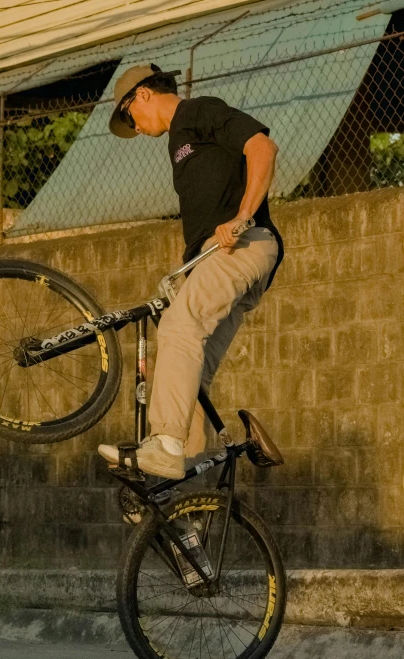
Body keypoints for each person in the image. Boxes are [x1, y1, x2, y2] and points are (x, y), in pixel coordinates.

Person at [98, 63, 284, 480]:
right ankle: (184, 486)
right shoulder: (178, 142)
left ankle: (164, 443)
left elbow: (262, 148)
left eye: (130, 116)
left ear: (143, 95)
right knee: (192, 373)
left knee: (180, 328)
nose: (136, 128)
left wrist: (242, 217)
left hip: (241, 245)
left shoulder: (197, 112)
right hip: (215, 257)